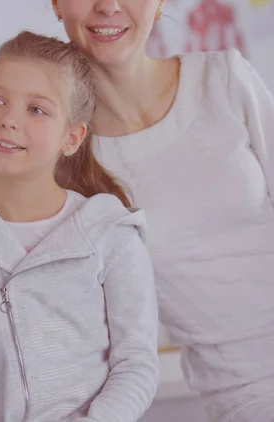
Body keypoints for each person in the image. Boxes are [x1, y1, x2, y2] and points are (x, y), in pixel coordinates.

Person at [0, 31, 159, 422]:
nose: (9, 119)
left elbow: (137, 365)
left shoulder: (110, 234)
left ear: (72, 137)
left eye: (37, 109)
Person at [51, 0, 274, 420]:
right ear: (57, 4)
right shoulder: (70, 167)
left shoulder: (223, 77)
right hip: (246, 397)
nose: (108, 6)